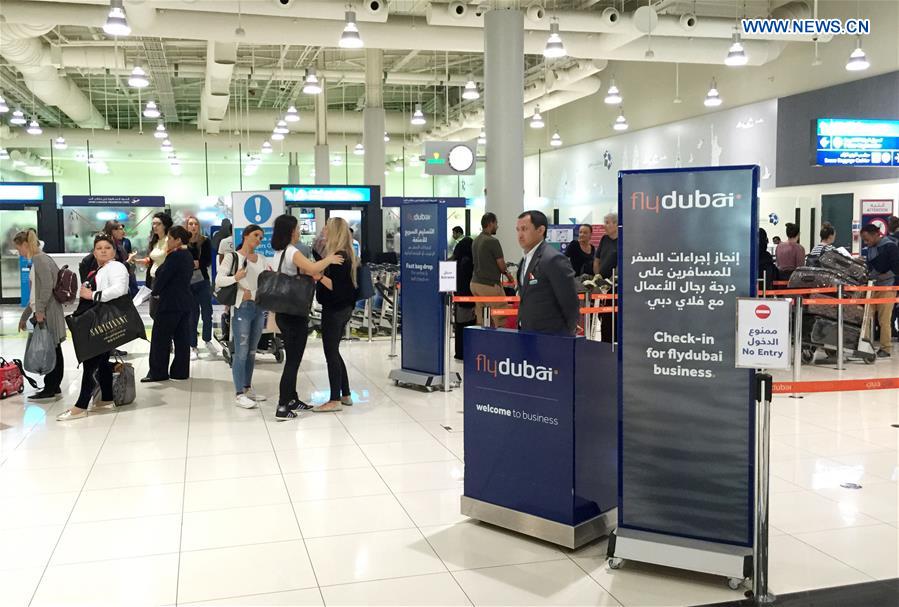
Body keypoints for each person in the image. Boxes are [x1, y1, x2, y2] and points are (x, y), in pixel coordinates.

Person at [269, 215, 344, 420]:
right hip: (294, 313)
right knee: (293, 361)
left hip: (284, 312)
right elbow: (311, 269)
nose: (299, 231)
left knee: (294, 358)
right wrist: (329, 259)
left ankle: (292, 398)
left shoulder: (279, 252)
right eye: (296, 228)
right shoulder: (292, 251)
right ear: (290, 231)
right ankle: (283, 406)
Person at [56, 233, 130, 421]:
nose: (103, 251)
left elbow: (119, 290)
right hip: (97, 320)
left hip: (102, 320)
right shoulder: (98, 269)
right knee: (102, 361)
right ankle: (106, 398)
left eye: (107, 247)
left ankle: (80, 406)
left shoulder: (116, 266)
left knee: (90, 363)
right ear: (94, 252)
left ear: (114, 251)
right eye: (99, 248)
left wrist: (93, 295)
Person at [215, 225, 270, 408]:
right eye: (256, 235)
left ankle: (247, 388)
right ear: (245, 236)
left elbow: (264, 283)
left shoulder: (261, 259)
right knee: (242, 351)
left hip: (259, 306)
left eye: (261, 237)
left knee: (252, 351)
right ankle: (239, 393)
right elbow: (219, 280)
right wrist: (236, 278)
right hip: (242, 307)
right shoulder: (233, 257)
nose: (258, 240)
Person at [311, 217, 361, 413]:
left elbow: (337, 287)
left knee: (330, 352)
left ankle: (334, 399)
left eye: (327, 229)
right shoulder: (342, 254)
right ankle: (345, 393)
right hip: (341, 308)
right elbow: (317, 252)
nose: (324, 231)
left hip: (335, 309)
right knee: (334, 351)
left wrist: (319, 277)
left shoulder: (340, 257)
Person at [14, 229, 66, 400]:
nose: (19, 252)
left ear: (25, 245)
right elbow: (34, 295)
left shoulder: (39, 259)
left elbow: (46, 287)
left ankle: (51, 386)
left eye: (18, 248)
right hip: (47, 309)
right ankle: (53, 385)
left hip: (48, 311)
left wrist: (41, 311)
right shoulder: (40, 259)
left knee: (51, 348)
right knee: (53, 347)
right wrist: (25, 316)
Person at [515, 210, 580, 336]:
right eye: (517, 230)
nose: (520, 235)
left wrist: (567, 333)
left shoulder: (553, 259)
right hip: (527, 334)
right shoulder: (525, 260)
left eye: (524, 229)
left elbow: (570, 301)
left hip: (551, 336)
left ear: (540, 230)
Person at [144, 226, 194, 383]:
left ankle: (158, 372)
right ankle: (180, 371)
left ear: (178, 240)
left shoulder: (175, 256)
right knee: (181, 338)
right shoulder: (187, 255)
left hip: (169, 303)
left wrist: (154, 291)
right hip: (184, 302)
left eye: (170, 239)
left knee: (160, 338)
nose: (168, 242)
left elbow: (162, 276)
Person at [860, 224, 899, 359]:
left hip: (888, 287)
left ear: (876, 234)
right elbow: (871, 267)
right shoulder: (870, 248)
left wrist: (883, 276)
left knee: (884, 319)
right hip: (872, 287)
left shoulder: (890, 246)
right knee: (866, 316)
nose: (866, 242)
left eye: (867, 239)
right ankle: (863, 345)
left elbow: (896, 269)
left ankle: (885, 348)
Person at [471, 212, 514, 327]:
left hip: (475, 283)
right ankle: (501, 343)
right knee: (500, 316)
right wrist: (509, 276)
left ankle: (482, 342)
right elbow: (501, 265)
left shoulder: (476, 240)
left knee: (482, 317)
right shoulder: (492, 241)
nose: (497, 226)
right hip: (489, 285)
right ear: (491, 223)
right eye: (496, 223)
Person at [185, 216, 214, 360]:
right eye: (190, 224)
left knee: (207, 313)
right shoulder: (183, 242)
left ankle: (207, 339)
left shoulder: (205, 241)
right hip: (188, 283)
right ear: (186, 226)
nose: (193, 226)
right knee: (192, 315)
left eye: (196, 223)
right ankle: (193, 346)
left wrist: (199, 263)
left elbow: (208, 260)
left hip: (203, 281)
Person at [593, 213, 619, 343]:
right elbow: (597, 261)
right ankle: (604, 345)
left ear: (616, 224)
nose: (605, 225)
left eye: (608, 222)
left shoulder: (623, 241)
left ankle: (614, 343)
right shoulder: (604, 239)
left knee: (613, 318)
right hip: (601, 286)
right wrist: (598, 277)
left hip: (615, 287)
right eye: (605, 222)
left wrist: (611, 281)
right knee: (603, 317)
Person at [450, 235, 476, 360]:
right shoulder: (469, 261)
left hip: (458, 296)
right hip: (468, 297)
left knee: (459, 326)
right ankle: (465, 352)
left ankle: (459, 351)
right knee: (467, 324)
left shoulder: (456, 262)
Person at [136, 212, 173, 291]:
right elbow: (154, 259)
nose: (155, 226)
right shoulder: (155, 241)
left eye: (158, 224)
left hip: (166, 280)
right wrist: (137, 260)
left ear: (165, 225)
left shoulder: (169, 240)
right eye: (153, 224)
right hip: (153, 278)